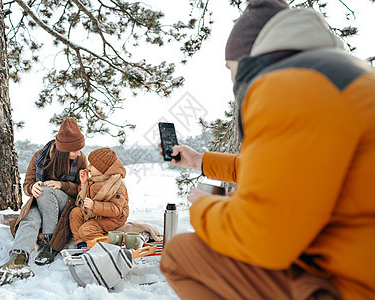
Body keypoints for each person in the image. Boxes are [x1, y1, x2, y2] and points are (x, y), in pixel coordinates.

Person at [159, 0, 375, 299]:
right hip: (357, 262)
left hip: (352, 286)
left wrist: (200, 207)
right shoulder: (337, 78)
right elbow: (286, 170)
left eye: (229, 66)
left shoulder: (288, 86)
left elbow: (261, 238)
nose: (231, 78)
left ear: (246, 59)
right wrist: (200, 161)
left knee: (182, 254)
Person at [0, 118, 88, 286]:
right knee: (31, 217)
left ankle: (50, 241)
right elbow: (27, 184)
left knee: (46, 192)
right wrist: (32, 188)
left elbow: (82, 189)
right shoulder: (40, 157)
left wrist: (62, 185)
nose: (78, 153)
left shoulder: (80, 160)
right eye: (74, 150)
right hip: (40, 202)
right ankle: (17, 259)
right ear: (62, 151)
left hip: (65, 203)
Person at [69, 147, 129, 249]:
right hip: (97, 214)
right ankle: (82, 243)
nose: (88, 166)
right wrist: (83, 184)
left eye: (92, 165)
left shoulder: (116, 185)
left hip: (113, 218)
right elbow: (85, 198)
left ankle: (112, 243)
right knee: (75, 213)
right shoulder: (94, 180)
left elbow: (116, 209)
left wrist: (94, 206)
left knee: (86, 230)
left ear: (102, 168)